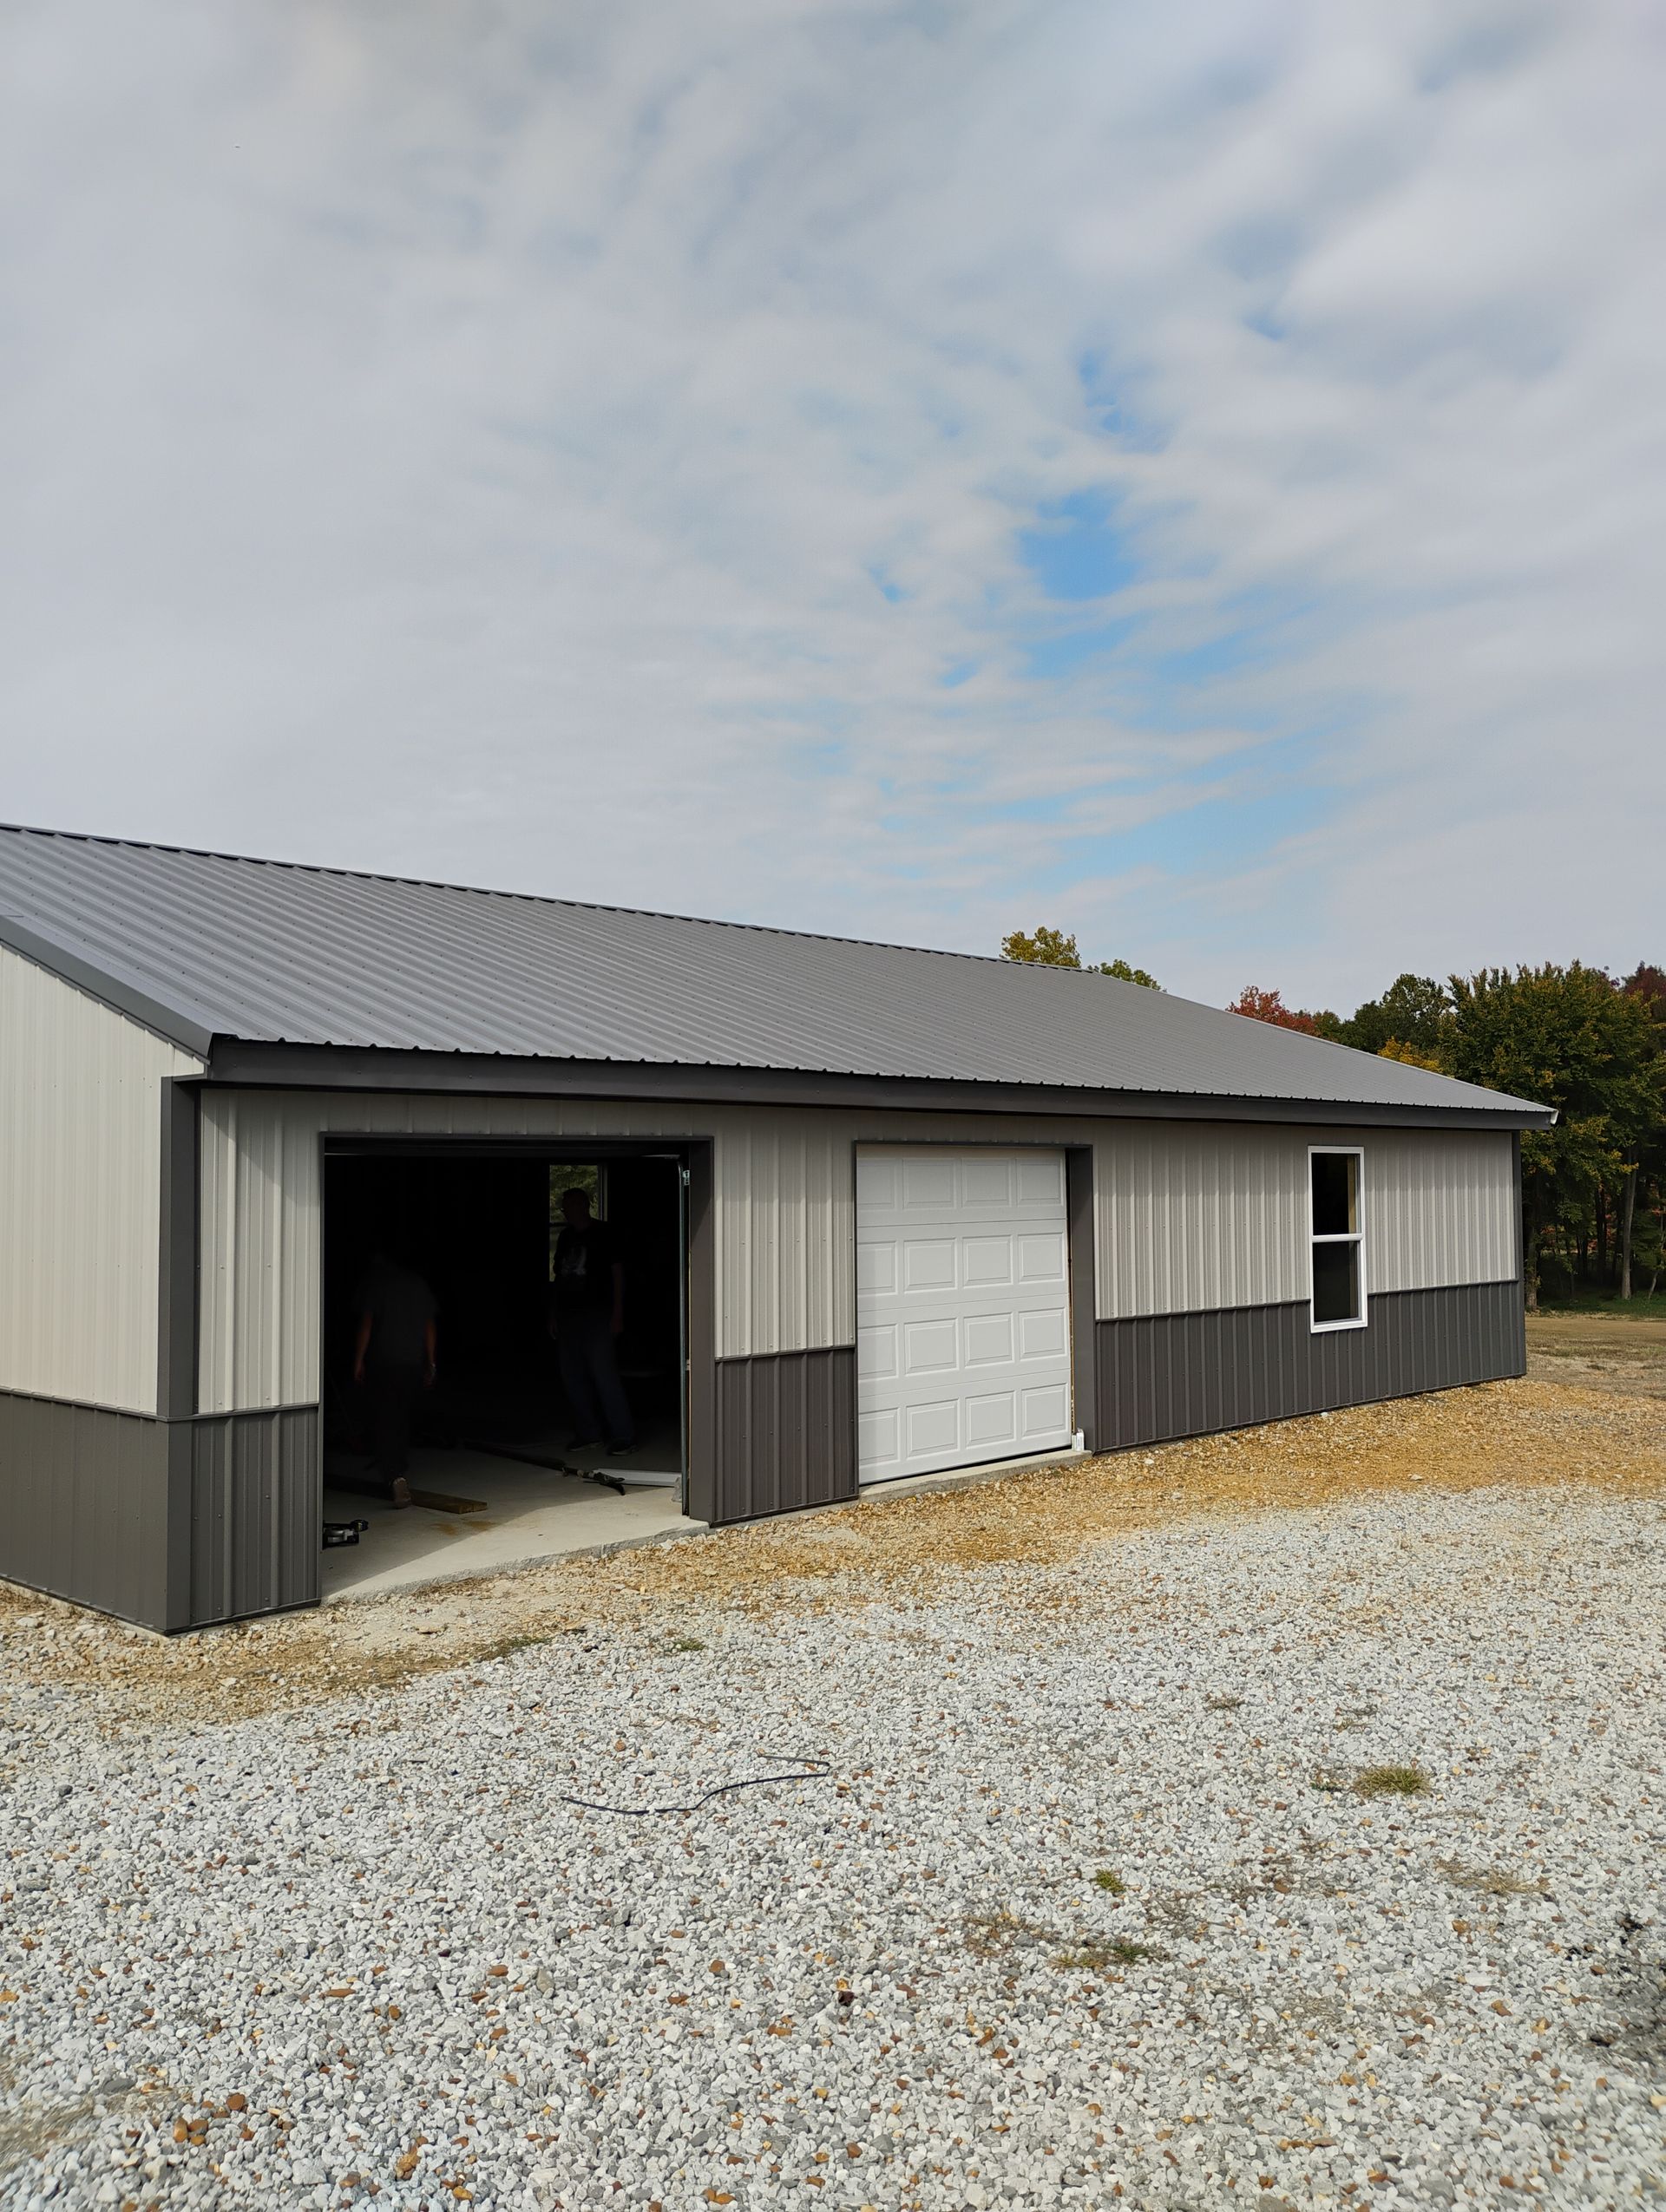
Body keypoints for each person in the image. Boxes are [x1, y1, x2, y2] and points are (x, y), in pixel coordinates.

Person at [548, 1187, 634, 1455]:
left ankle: (624, 1436)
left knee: (604, 1375)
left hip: (598, 1315)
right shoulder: (565, 1237)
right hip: (568, 1316)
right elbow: (559, 1278)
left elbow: (618, 1273)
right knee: (572, 1376)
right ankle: (589, 1433)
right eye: (563, 1208)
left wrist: (617, 1313)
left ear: (582, 1206)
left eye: (568, 1207)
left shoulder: (605, 1234)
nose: (566, 1212)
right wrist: (553, 1314)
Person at [351, 1249, 438, 1508]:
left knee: (385, 1418)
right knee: (401, 1416)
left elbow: (366, 1324)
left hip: (383, 1362)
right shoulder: (417, 1284)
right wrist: (431, 1362)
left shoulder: (375, 1284)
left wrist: (358, 1360)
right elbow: (429, 1325)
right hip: (411, 1362)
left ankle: (393, 1474)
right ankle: (399, 1466)